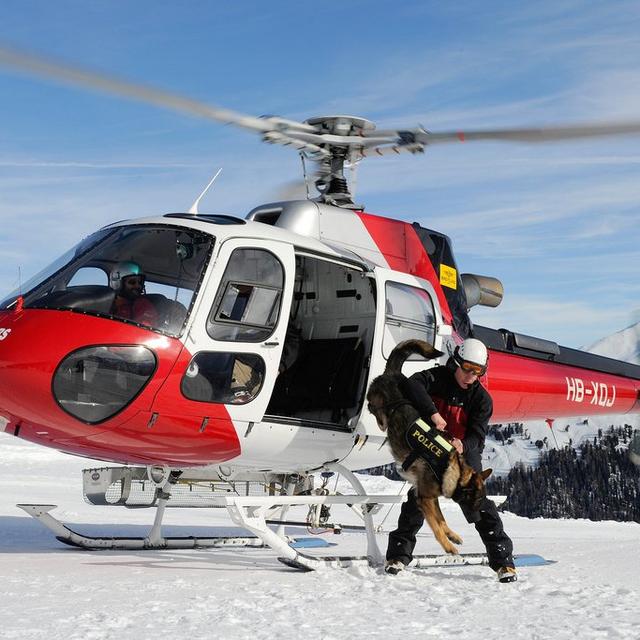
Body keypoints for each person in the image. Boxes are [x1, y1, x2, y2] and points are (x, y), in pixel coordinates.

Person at [385, 337, 517, 583]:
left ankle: (503, 562)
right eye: (467, 368)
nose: (471, 376)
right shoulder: (437, 378)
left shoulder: (482, 400)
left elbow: (477, 437)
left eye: (479, 371)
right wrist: (433, 414)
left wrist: (461, 444)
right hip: (433, 447)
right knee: (419, 499)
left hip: (464, 454)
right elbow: (412, 385)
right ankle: (398, 556)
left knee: (477, 503)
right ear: (456, 362)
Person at [109, 261, 158, 327]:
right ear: (118, 283)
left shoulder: (143, 305)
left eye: (140, 282)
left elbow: (144, 329)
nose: (137, 286)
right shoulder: (107, 301)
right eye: (132, 282)